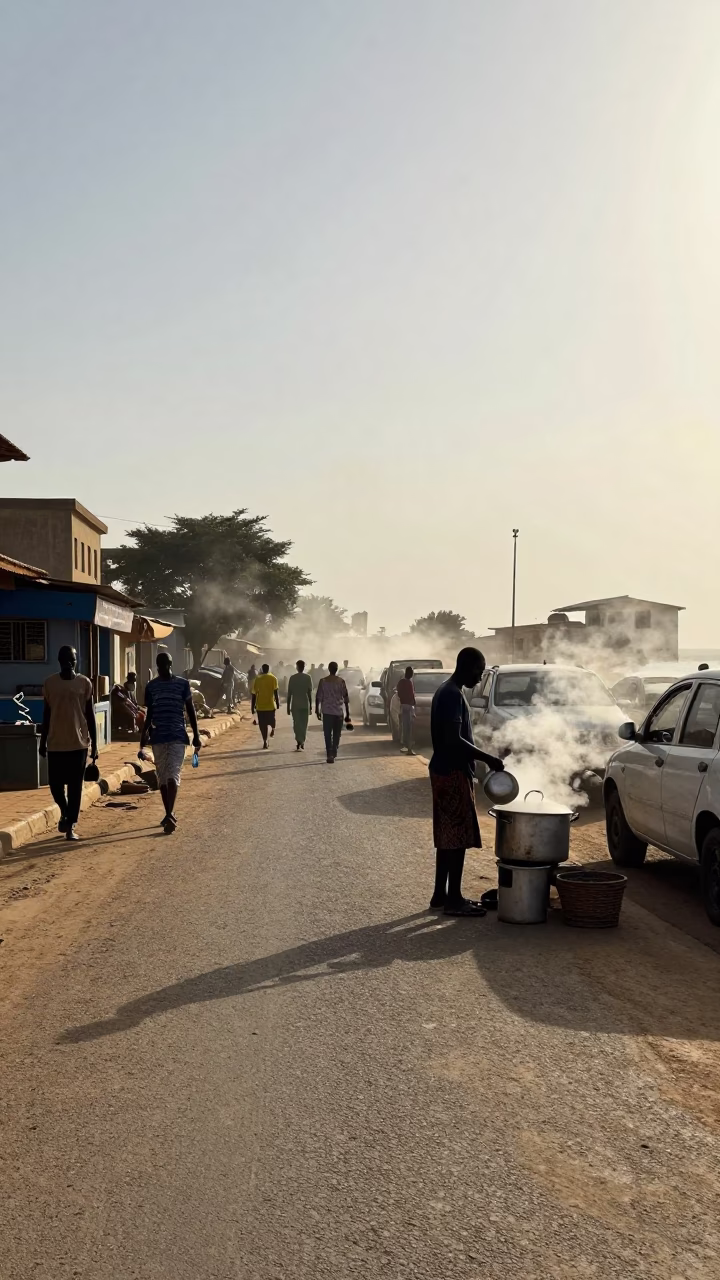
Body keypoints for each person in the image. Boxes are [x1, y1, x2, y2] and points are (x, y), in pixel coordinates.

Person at [428, 647, 505, 916]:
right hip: (451, 772)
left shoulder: (448, 690)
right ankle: (454, 900)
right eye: (478, 671)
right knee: (457, 838)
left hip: (443, 769)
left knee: (446, 837)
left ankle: (440, 894)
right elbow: (452, 740)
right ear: (466, 666)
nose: (479, 677)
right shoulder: (451, 694)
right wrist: (488, 759)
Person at [39, 646, 98, 841]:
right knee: (55, 786)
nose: (69, 663)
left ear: (76, 661)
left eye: (72, 659)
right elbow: (46, 715)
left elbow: (90, 715)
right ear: (59, 661)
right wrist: (42, 741)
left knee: (75, 788)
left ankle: (71, 824)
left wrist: (95, 745)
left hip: (78, 743)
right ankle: (65, 811)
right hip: (56, 743)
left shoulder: (84, 683)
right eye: (65, 659)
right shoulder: (50, 684)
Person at [140, 651, 201, 833]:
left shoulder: (183, 684)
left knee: (173, 774)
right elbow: (150, 713)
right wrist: (143, 735)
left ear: (171, 664)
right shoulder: (151, 687)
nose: (164, 668)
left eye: (166, 664)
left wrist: (196, 734)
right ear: (157, 667)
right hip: (158, 737)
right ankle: (169, 812)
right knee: (162, 777)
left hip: (177, 736)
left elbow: (190, 710)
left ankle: (169, 813)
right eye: (161, 665)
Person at [316, 661, 350, 763]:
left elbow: (318, 697)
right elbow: (346, 698)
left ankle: (329, 754)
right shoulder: (341, 681)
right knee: (337, 733)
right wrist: (347, 713)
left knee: (327, 734)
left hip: (327, 712)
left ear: (329, 669)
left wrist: (317, 710)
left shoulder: (323, 681)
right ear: (336, 670)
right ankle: (334, 751)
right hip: (338, 712)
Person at [287, 659, 313, 750]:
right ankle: (301, 740)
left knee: (296, 723)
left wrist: (287, 707)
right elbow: (309, 693)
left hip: (295, 704)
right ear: (303, 667)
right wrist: (310, 706)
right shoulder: (308, 677)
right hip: (305, 703)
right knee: (304, 723)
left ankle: (299, 740)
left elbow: (289, 693)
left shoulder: (292, 678)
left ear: (297, 667)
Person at [252, 663, 279, 748]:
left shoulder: (257, 679)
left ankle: (265, 741)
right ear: (268, 669)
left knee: (262, 725)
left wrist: (252, 706)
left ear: (262, 670)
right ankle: (273, 729)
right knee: (272, 720)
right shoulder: (273, 678)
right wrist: (277, 703)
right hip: (271, 705)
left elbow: (254, 694)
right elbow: (276, 692)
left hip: (260, 706)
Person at [396, 665, 416, 755]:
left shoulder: (407, 682)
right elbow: (400, 694)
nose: (411, 674)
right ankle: (407, 748)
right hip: (406, 706)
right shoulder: (404, 682)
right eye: (411, 672)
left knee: (409, 728)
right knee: (407, 728)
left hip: (408, 706)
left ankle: (408, 748)